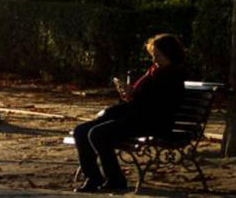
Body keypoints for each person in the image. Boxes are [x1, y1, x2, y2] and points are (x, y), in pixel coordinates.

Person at [71, 33, 187, 193]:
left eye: (158, 56)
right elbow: (141, 98)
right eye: (153, 56)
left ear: (170, 54)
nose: (154, 60)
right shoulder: (154, 72)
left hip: (151, 122)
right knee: (81, 131)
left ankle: (115, 179)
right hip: (135, 117)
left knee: (97, 133)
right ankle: (93, 178)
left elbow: (157, 105)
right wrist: (130, 94)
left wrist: (134, 94)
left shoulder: (173, 76)